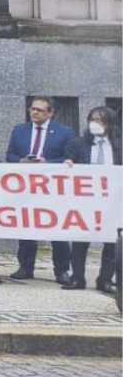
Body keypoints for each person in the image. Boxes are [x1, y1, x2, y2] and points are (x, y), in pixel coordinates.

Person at [8, 96, 74, 282]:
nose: (34, 112)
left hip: (53, 188)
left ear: (50, 113)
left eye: (39, 110)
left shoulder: (64, 132)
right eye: (32, 109)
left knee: (57, 228)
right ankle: (25, 267)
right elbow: (10, 155)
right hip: (26, 187)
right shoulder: (19, 130)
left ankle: (62, 270)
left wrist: (48, 163)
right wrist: (21, 161)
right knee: (27, 225)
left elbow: (70, 158)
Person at [67, 106, 119, 292]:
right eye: (93, 120)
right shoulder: (78, 144)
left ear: (110, 124)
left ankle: (105, 280)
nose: (95, 124)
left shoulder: (118, 145)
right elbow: (68, 165)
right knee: (81, 240)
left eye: (101, 120)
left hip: (112, 202)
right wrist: (68, 164)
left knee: (111, 242)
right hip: (85, 201)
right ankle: (77, 278)